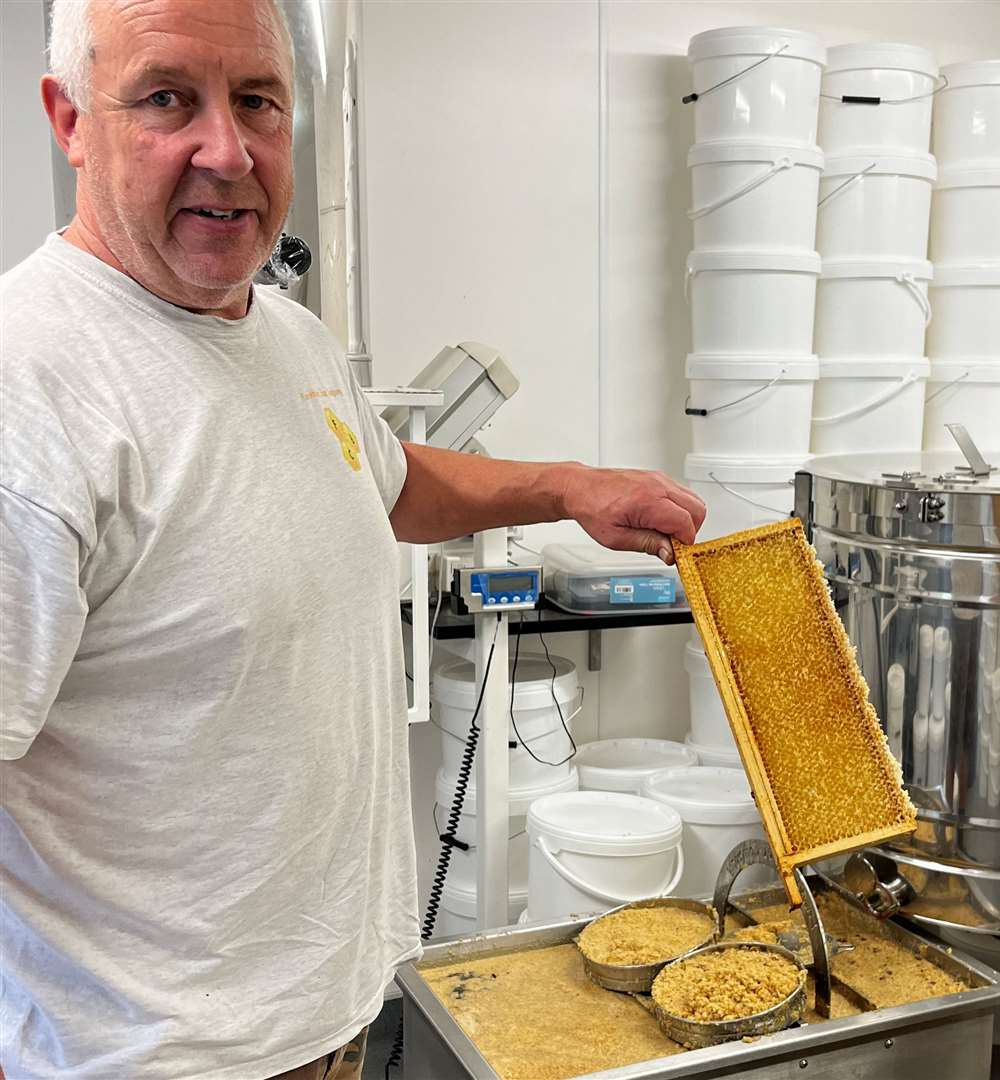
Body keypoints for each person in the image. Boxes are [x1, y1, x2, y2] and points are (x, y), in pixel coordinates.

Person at [0, 1, 705, 1077]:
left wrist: (565, 486)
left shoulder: (283, 330)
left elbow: (381, 480)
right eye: (166, 99)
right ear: (69, 120)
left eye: (258, 102)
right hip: (153, 1056)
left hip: (330, 1017)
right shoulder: (31, 387)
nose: (226, 151)